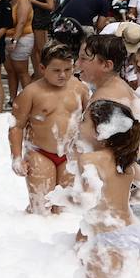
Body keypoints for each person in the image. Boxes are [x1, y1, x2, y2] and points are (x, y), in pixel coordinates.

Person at [68, 100, 140, 278]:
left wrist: (62, 199)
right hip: (132, 233)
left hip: (111, 240)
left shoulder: (89, 159)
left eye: (84, 120)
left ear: (100, 131)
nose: (79, 124)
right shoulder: (124, 159)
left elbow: (86, 200)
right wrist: (124, 200)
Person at [10, 44, 88, 215]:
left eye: (68, 69)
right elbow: (16, 126)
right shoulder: (31, 92)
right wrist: (16, 158)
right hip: (40, 153)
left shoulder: (80, 89)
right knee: (40, 210)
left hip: (69, 154)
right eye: (56, 70)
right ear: (42, 68)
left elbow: (88, 122)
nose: (63, 75)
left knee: (65, 212)